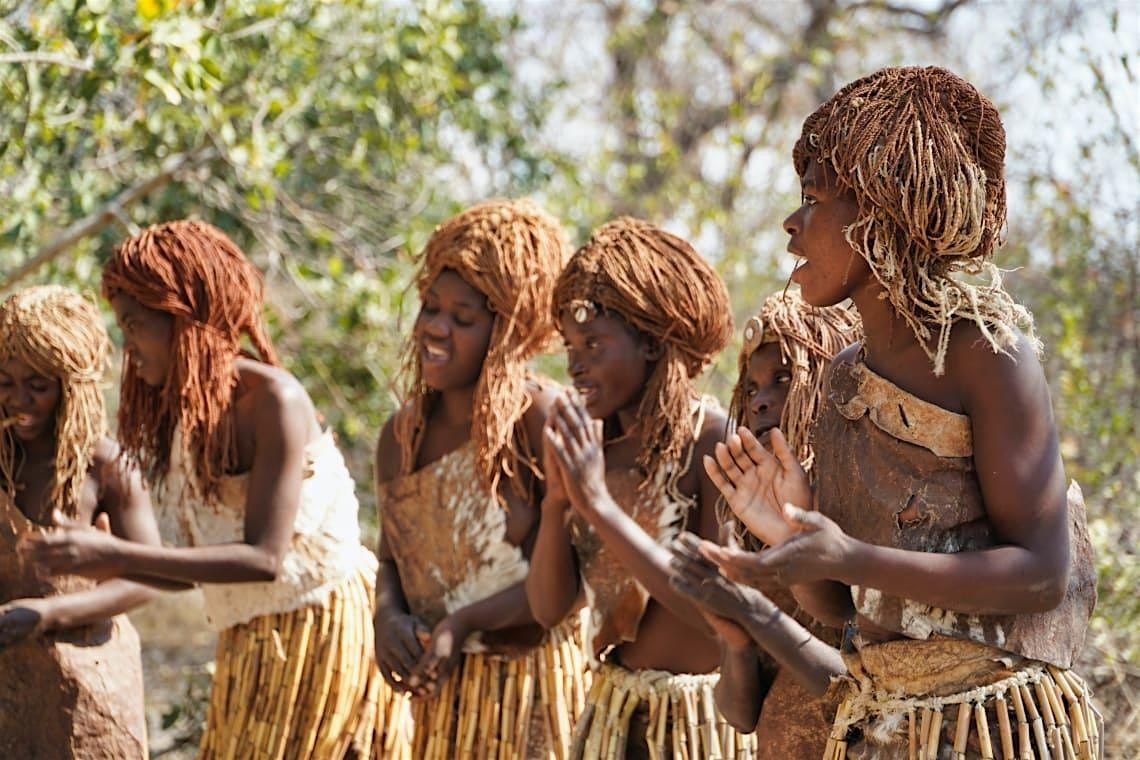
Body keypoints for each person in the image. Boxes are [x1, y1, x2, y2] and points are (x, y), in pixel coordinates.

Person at [673, 66, 1100, 759]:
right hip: (884, 728)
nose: (790, 223)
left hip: (990, 731)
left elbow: (1042, 573)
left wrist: (851, 555)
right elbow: (841, 608)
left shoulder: (985, 354)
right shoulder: (845, 379)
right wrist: (796, 539)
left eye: (813, 199)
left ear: (880, 211)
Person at [27, 220, 404, 759]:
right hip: (250, 642)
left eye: (135, 325)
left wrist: (115, 553)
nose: (128, 346)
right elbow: (193, 568)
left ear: (183, 317)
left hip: (319, 637)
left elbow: (263, 559)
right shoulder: (187, 415)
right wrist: (98, 562)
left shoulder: (274, 400)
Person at [530, 216, 760, 759]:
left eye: (592, 344)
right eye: (569, 346)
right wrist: (559, 501)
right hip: (614, 717)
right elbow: (548, 609)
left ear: (653, 344)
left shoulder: (712, 444)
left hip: (699, 726)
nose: (575, 365)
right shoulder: (592, 447)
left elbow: (716, 614)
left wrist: (597, 504)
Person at [373, 198, 588, 759]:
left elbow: (572, 583)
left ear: (509, 330)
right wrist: (387, 616)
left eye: (463, 319)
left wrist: (463, 622)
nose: (435, 329)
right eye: (429, 308)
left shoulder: (544, 421)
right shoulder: (401, 436)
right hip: (443, 707)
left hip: (537, 699)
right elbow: (390, 559)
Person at [0, 285, 156, 759]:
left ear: (72, 386)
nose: (18, 399)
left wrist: (48, 614)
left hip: (89, 685)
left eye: (39, 385)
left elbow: (148, 578)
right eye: (5, 381)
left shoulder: (105, 465)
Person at [718, 289, 860, 758]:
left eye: (784, 378)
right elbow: (739, 714)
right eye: (753, 388)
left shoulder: (858, 511)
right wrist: (734, 636)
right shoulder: (748, 526)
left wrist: (757, 614)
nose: (762, 401)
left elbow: (856, 688)